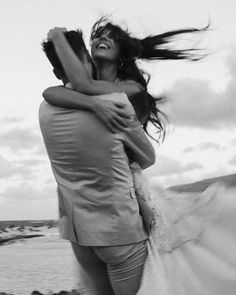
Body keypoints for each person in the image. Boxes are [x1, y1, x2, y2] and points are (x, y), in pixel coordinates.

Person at [44, 18, 236, 295]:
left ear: (123, 52)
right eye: (98, 34)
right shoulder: (85, 82)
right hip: (101, 202)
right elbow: (51, 91)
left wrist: (59, 40)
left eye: (110, 37)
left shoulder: (130, 89)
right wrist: (93, 107)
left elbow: (141, 154)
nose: (101, 38)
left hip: (125, 182)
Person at [40, 30, 156, 295]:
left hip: (78, 234)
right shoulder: (115, 103)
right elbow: (148, 158)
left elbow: (55, 91)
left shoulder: (45, 109)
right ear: (88, 62)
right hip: (118, 232)